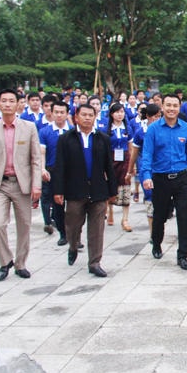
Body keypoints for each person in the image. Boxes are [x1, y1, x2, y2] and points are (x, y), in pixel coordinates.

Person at [0, 88, 42, 281]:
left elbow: (36, 159)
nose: (7, 104)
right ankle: (5, 261)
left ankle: (21, 263)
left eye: (11, 101)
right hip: (0, 184)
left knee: (24, 225)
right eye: (3, 101)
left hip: (22, 184)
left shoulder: (28, 127)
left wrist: (36, 185)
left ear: (17, 104)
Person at [52, 103, 117, 278]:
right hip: (75, 190)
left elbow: (108, 166)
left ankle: (94, 262)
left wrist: (112, 190)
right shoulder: (66, 139)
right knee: (73, 225)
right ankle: (73, 246)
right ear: (76, 117)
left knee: (96, 228)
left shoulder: (102, 138)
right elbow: (59, 166)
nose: (87, 118)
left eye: (91, 115)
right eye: (84, 115)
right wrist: (58, 190)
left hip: (98, 190)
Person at [139, 94, 187, 270]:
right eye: (168, 105)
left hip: (181, 178)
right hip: (160, 178)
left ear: (180, 107)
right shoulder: (153, 129)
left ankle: (182, 255)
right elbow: (147, 155)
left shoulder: (186, 128)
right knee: (160, 215)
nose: (172, 109)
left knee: (183, 215)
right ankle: (156, 242)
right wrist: (146, 176)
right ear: (162, 107)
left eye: (175, 105)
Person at [126, 103, 162, 239]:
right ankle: (153, 233)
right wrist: (130, 170)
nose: (157, 119)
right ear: (147, 116)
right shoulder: (141, 132)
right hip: (146, 169)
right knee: (150, 198)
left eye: (159, 116)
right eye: (154, 117)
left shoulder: (163, 129)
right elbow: (134, 153)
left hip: (161, 168)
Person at [39, 100, 72, 244]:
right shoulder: (45, 131)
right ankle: (63, 234)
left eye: (62, 112)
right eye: (56, 112)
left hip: (71, 172)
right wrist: (42, 168)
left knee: (74, 206)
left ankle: (74, 235)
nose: (59, 115)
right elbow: (41, 152)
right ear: (51, 113)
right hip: (53, 171)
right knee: (57, 205)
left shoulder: (72, 131)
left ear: (67, 114)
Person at [104, 103, 134, 231]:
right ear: (112, 114)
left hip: (125, 159)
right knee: (110, 186)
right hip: (111, 160)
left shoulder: (127, 128)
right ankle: (109, 210)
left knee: (126, 187)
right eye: (117, 112)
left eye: (122, 112)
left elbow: (132, 147)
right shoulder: (106, 129)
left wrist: (132, 166)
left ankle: (125, 219)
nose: (119, 114)